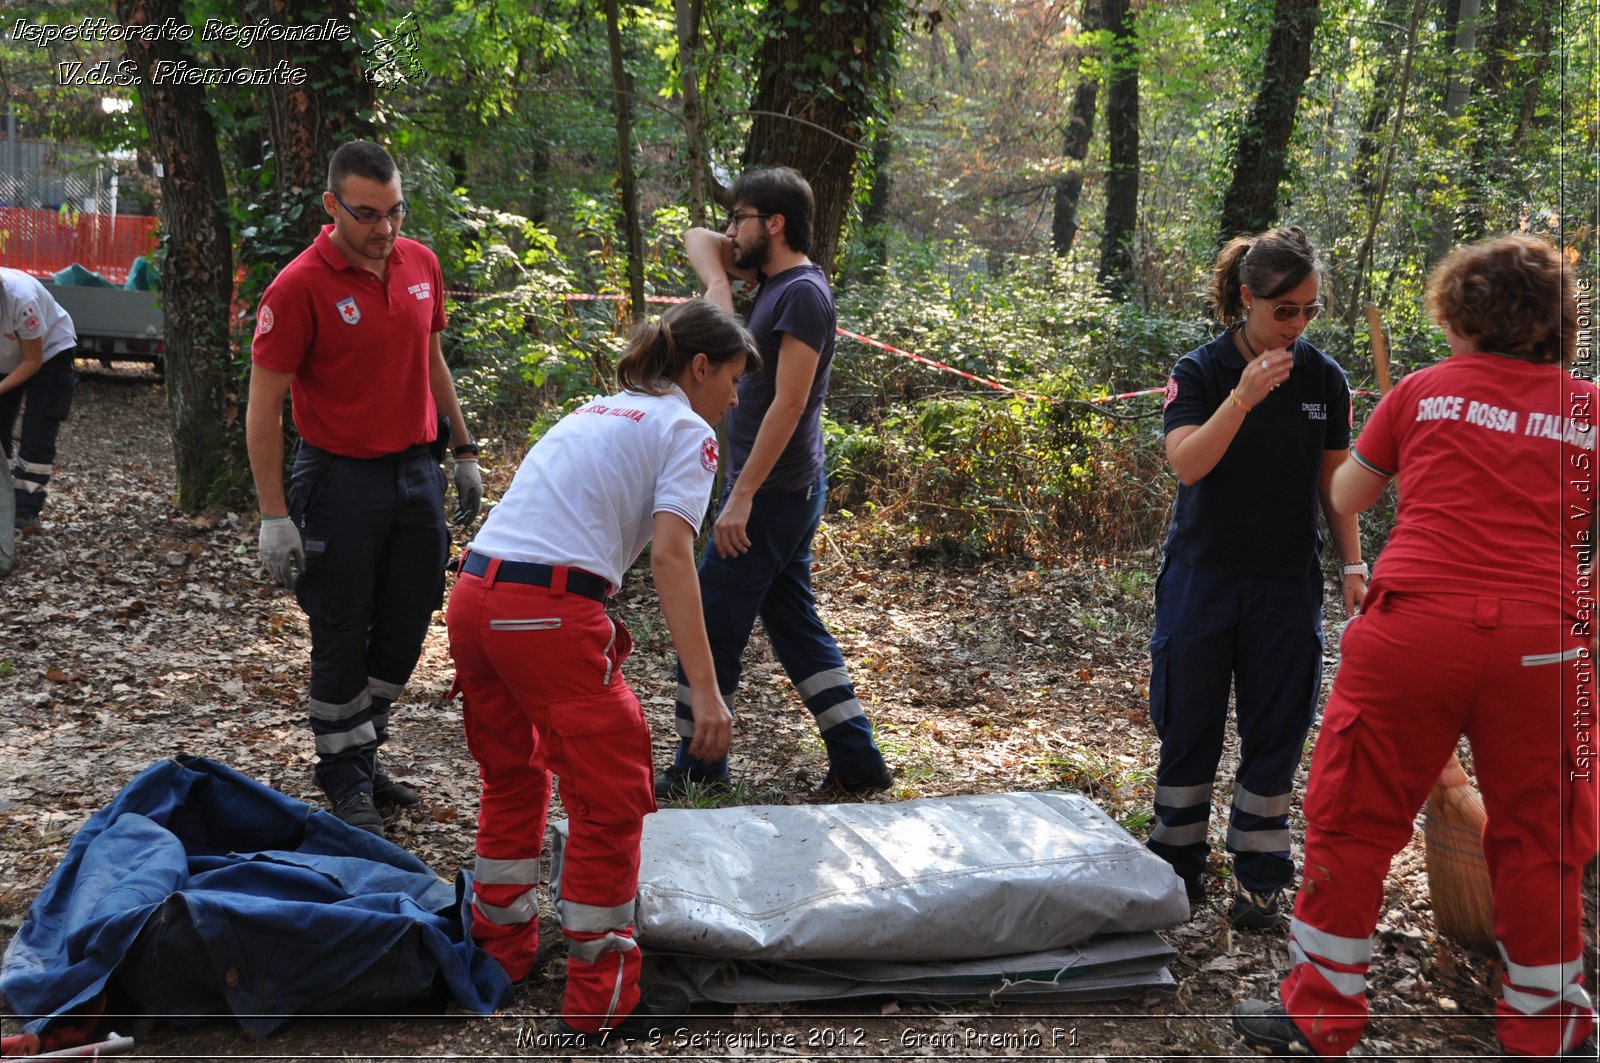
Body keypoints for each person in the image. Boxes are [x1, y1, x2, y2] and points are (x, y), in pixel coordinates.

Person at [1234, 234, 1598, 1059]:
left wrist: (1410, 436)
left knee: (1353, 816)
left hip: (1413, 630)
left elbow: (1347, 490)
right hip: (1544, 643)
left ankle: (1320, 1011)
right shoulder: (1589, 409)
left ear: (1459, 313)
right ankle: (1550, 1026)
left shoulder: (1425, 390)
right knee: (1546, 834)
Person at [445, 298, 751, 1040]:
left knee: (514, 772)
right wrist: (705, 691)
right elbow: (675, 555)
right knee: (611, 793)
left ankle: (501, 948)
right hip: (546, 612)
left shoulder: (601, 408)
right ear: (699, 368)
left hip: (474, 596)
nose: (735, 399)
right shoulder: (686, 429)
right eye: (734, 380)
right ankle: (604, 998)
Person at [247, 140, 482, 835]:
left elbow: (431, 356)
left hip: (416, 471)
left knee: (408, 624)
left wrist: (463, 447)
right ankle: (343, 777)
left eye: (394, 211)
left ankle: (364, 746)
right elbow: (265, 408)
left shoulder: (420, 264)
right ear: (332, 206)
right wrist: (273, 514)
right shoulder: (296, 287)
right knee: (342, 630)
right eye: (367, 214)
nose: (384, 229)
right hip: (338, 477)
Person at [1146, 225, 1364, 931]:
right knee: (1190, 722)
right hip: (1203, 576)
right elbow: (1187, 463)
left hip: (1284, 581)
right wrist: (1239, 399)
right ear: (1247, 299)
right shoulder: (1202, 369)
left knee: (1276, 728)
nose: (1296, 325)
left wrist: (1355, 565)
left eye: (1309, 310)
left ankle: (1260, 875)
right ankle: (1176, 865)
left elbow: (1337, 485)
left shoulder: (1324, 379)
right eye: (1284, 311)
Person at [661, 166, 893, 800]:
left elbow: (789, 406)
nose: (731, 230)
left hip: (772, 496)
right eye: (732, 219)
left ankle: (698, 768)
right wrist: (719, 273)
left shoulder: (802, 296)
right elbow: (699, 238)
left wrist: (740, 498)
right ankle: (857, 756)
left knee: (706, 621)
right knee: (794, 622)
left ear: (776, 224)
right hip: (778, 492)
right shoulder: (772, 282)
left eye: (742, 218)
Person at [0, 268, 79, 529]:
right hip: (6, 356)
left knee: (38, 431)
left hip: (49, 353)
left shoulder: (21, 301)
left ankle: (26, 509)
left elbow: (33, 360)